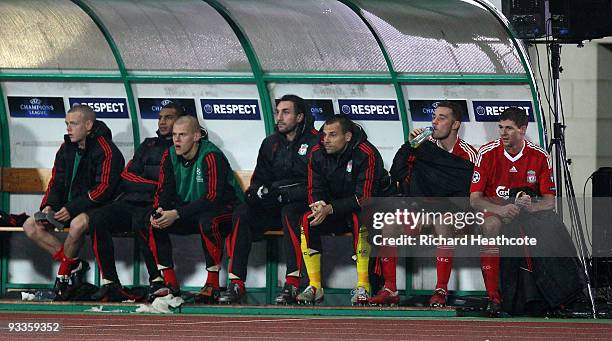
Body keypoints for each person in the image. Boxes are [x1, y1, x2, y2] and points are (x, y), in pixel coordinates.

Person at [219, 95, 319, 304]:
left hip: (302, 203)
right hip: (273, 203)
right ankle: (236, 283)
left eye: (286, 112)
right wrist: (256, 194)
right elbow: (258, 180)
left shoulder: (316, 142)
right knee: (242, 212)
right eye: (278, 112)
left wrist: (286, 195)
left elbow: (317, 185)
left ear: (300, 117)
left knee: (291, 213)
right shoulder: (270, 143)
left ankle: (293, 283)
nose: (279, 118)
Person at [22, 104, 124, 299]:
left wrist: (71, 208)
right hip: (69, 208)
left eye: (74, 124)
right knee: (30, 225)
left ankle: (63, 278)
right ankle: (74, 263)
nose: (69, 128)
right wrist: (49, 206)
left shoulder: (106, 149)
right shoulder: (65, 147)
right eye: (67, 123)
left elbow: (104, 189)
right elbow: (57, 181)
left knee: (77, 225)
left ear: (88, 125)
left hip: (98, 209)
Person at [286, 115, 390, 305]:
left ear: (348, 136)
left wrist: (330, 208)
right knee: (307, 219)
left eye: (333, 135)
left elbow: (364, 198)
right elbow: (313, 188)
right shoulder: (317, 152)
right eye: (324, 134)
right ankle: (315, 286)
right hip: (331, 209)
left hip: (364, 210)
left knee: (361, 218)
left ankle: (363, 285)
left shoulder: (367, 153)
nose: (326, 139)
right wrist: (318, 205)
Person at [383, 101, 477, 306]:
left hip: (458, 215)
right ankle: (390, 288)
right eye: (433, 117)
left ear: (455, 125)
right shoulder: (422, 148)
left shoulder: (469, 154)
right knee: (388, 225)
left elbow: (467, 196)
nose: (434, 122)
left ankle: (441, 289)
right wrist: (410, 145)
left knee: (443, 222)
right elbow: (397, 173)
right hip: (423, 211)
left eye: (441, 118)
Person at [87, 103, 184, 302]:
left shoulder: (182, 146)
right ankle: (110, 282)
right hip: (131, 201)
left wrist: (156, 189)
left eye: (169, 117)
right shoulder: (148, 145)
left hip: (158, 204)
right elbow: (127, 177)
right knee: (97, 218)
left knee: (144, 220)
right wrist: (156, 185)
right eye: (160, 117)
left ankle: (157, 280)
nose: (163, 122)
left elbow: (175, 183)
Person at [146, 115, 244, 303]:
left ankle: (212, 284)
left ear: (197, 136)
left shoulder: (211, 156)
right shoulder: (170, 154)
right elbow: (165, 189)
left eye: (183, 134)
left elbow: (213, 197)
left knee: (209, 221)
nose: (177, 139)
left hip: (226, 209)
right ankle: (169, 284)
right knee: (152, 222)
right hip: (190, 210)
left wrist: (176, 213)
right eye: (175, 135)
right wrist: (160, 210)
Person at [470, 107, 555, 316]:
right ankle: (494, 297)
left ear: (523, 129)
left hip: (525, 215)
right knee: (492, 225)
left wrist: (530, 207)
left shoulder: (540, 156)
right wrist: (500, 209)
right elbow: (474, 199)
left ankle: (547, 296)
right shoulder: (487, 152)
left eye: (509, 128)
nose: (503, 133)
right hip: (493, 210)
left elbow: (550, 202)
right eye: (500, 128)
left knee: (552, 228)